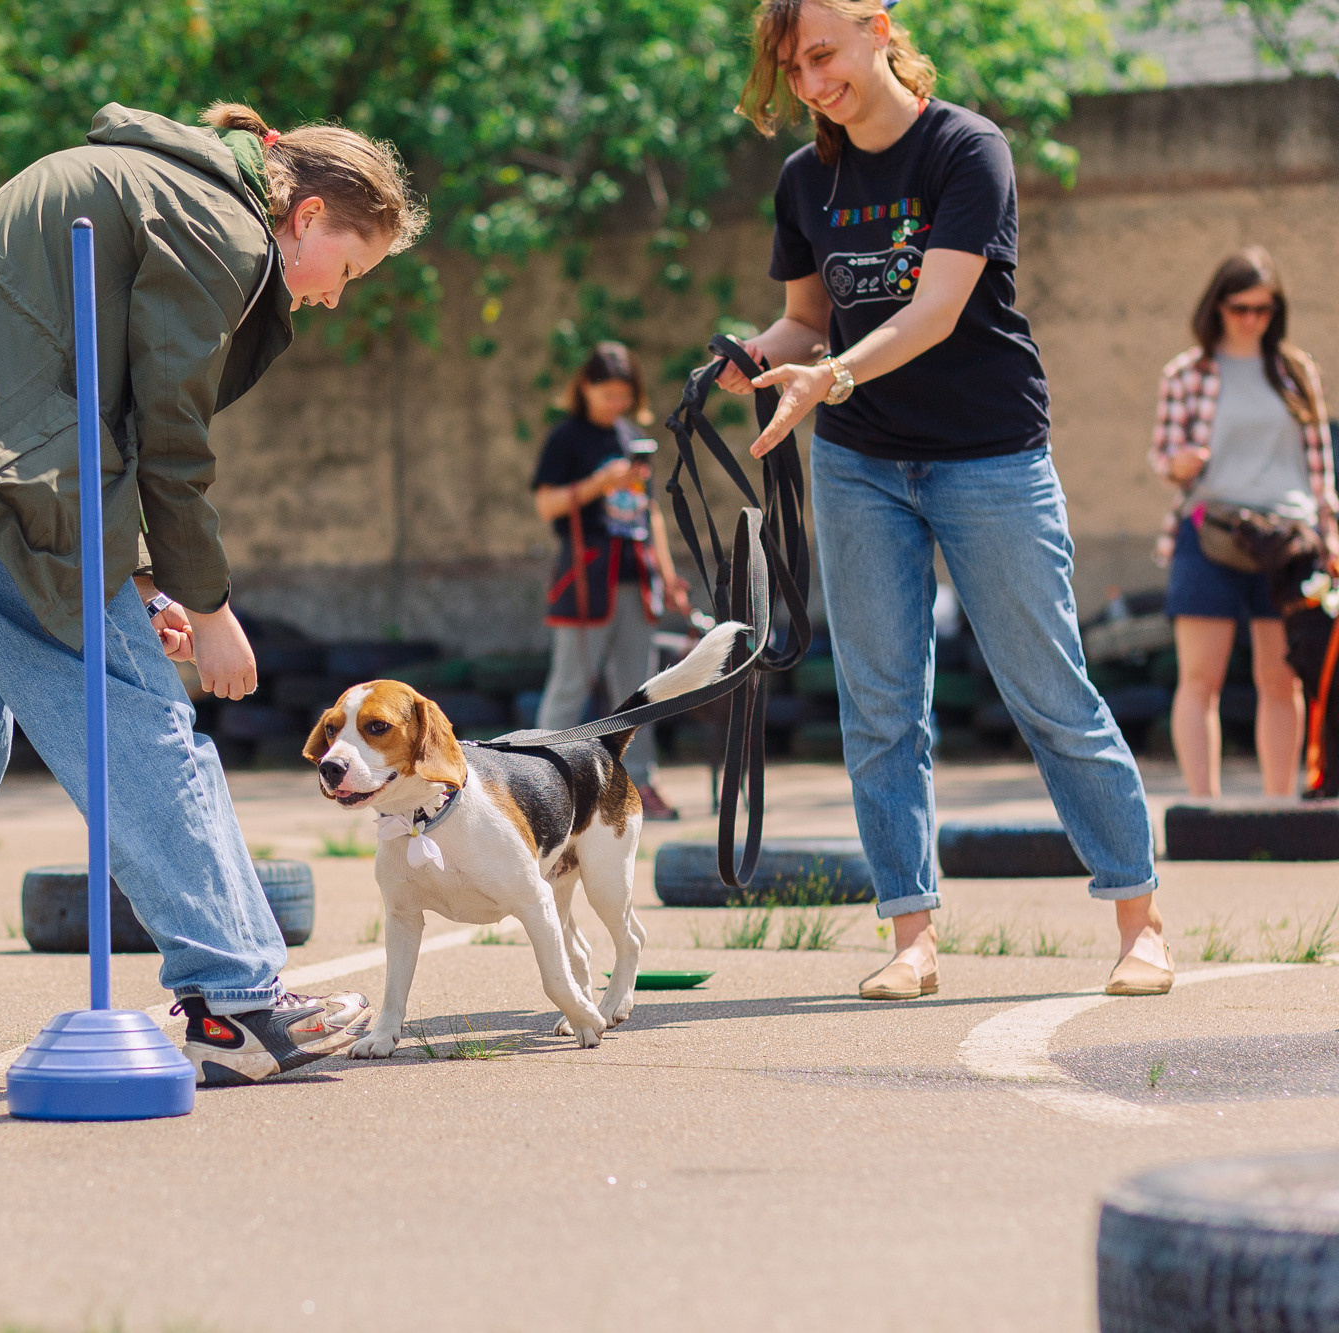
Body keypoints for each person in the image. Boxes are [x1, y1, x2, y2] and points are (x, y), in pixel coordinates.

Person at [0, 102, 427, 1083]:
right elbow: (169, 436)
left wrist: (142, 574)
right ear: (305, 215)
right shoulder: (215, 222)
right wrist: (211, 604)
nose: (332, 299)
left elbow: (86, 399)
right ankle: (235, 1000)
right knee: (140, 719)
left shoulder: (153, 185)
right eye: (348, 270)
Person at [721, 0, 1171, 997]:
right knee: (878, 705)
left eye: (824, 56)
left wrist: (828, 374)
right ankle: (911, 938)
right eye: (793, 69)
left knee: (1046, 690)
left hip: (986, 456)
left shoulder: (966, 149)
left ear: (878, 26)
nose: (811, 84)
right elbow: (806, 319)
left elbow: (931, 309)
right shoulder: (805, 180)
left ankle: (1137, 920)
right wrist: (755, 358)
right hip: (857, 465)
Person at [1150, 247, 1338, 798]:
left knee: (1282, 680)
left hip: (1289, 540)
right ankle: (1203, 810)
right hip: (1212, 529)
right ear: (1217, 307)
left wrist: (1330, 536)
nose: (1251, 319)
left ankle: (1280, 807)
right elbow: (1163, 457)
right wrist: (1177, 465)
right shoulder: (1186, 372)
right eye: (1239, 307)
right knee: (1199, 679)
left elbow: (1320, 467)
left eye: (1262, 308)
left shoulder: (1296, 371)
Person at [531, 341, 691, 819]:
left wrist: (668, 573)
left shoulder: (630, 438)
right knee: (571, 685)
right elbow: (547, 506)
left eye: (624, 395)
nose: (616, 403)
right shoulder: (566, 439)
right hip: (585, 580)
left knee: (638, 693)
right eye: (608, 393)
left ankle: (638, 785)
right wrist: (599, 485)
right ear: (585, 388)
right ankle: (535, 779)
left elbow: (651, 511)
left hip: (635, 580)